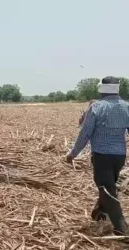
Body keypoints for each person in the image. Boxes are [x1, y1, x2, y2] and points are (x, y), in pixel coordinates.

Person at [66, 76, 129, 236]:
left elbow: (84, 134)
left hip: (102, 157)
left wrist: (72, 153)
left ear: (103, 90)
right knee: (108, 186)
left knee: (107, 190)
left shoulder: (97, 108)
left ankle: (121, 228)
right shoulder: (126, 107)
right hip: (119, 157)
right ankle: (99, 212)